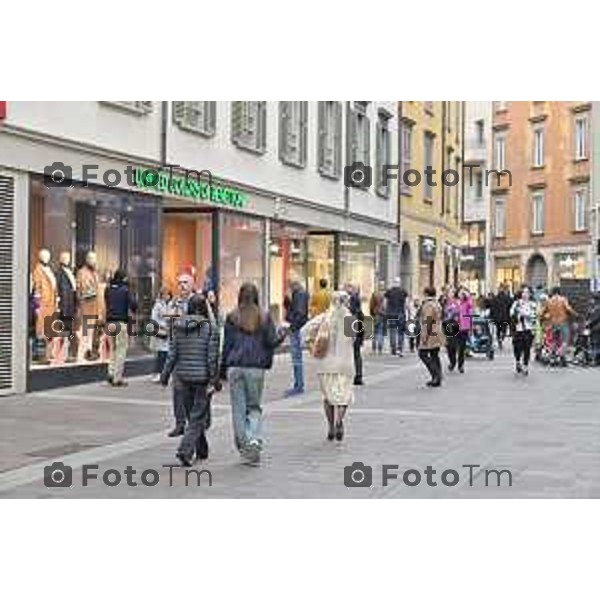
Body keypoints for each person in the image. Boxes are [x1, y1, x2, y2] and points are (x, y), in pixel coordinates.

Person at [222, 283, 287, 465]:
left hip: (235, 367)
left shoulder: (232, 316)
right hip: (256, 369)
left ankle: (244, 445)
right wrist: (282, 335)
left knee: (238, 408)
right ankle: (253, 440)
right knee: (254, 407)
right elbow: (271, 342)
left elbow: (226, 345)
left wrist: (220, 369)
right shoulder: (264, 317)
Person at [161, 294, 220, 466]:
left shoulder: (177, 326)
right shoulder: (210, 328)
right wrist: (214, 380)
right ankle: (185, 451)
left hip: (182, 378)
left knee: (193, 416)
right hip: (201, 379)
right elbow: (212, 357)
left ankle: (202, 449)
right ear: (204, 308)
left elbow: (172, 354)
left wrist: (165, 375)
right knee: (197, 417)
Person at [302, 291, 354, 441]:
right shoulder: (349, 319)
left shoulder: (324, 317)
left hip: (325, 364)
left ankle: (331, 427)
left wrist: (310, 343)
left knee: (328, 397)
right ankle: (340, 421)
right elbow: (354, 339)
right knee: (344, 396)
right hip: (345, 364)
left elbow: (305, 330)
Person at [166, 274, 195, 437]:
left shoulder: (198, 302)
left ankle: (194, 422)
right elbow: (169, 324)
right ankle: (179, 423)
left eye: (185, 282)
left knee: (192, 390)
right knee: (177, 389)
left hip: (192, 351)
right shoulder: (174, 303)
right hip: (178, 351)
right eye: (179, 283)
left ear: (192, 284)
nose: (182, 286)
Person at [104, 269, 137, 387]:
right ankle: (117, 378)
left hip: (109, 323)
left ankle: (111, 373)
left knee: (112, 349)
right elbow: (133, 304)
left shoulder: (108, 289)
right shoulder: (125, 290)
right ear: (123, 278)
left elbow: (107, 303)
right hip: (120, 323)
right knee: (121, 350)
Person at [540, 287, 577, 366]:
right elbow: (568, 308)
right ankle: (560, 355)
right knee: (565, 341)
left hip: (553, 323)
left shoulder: (549, 301)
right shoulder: (563, 299)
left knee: (554, 341)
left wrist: (545, 318)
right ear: (559, 292)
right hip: (563, 322)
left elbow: (542, 312)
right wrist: (575, 314)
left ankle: (553, 358)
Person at [284, 280, 309, 396]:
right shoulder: (299, 294)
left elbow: (299, 313)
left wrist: (292, 327)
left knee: (296, 358)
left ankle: (299, 385)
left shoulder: (299, 295)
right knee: (296, 357)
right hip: (297, 327)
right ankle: (298, 384)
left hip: (296, 328)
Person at [418, 287, 444, 387]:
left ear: (426, 293)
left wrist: (424, 336)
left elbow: (428, 321)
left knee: (423, 354)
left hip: (431, 332)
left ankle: (436, 375)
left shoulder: (428, 305)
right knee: (434, 354)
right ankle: (438, 377)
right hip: (437, 330)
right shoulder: (437, 303)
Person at [510, 287, 537, 375]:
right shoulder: (517, 303)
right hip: (518, 329)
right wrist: (517, 315)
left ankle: (525, 366)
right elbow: (511, 313)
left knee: (527, 348)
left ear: (530, 294)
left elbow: (534, 316)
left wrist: (524, 315)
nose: (525, 294)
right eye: (524, 292)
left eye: (527, 292)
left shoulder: (533, 304)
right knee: (517, 348)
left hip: (528, 329)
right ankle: (518, 361)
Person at [150, 287, 172, 383]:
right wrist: (163, 326)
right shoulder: (158, 305)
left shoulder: (170, 305)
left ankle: (164, 373)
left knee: (166, 353)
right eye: (165, 294)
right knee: (161, 354)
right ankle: (158, 373)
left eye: (168, 294)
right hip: (161, 331)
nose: (166, 296)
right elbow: (154, 319)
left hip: (168, 332)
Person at [346, 283, 364, 385]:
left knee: (352, 353)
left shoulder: (351, 314)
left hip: (352, 330)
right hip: (356, 331)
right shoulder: (359, 312)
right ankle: (358, 375)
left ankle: (355, 375)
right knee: (356, 353)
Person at [385, 277, 408, 356]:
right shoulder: (403, 292)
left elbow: (385, 303)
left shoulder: (389, 292)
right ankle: (400, 348)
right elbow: (406, 304)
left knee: (392, 331)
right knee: (401, 332)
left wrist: (386, 312)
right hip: (401, 313)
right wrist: (408, 313)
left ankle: (393, 348)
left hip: (391, 314)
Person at [454, 287, 474, 374]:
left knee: (462, 347)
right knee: (453, 346)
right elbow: (449, 311)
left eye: (463, 293)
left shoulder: (467, 304)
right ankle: (453, 361)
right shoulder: (454, 302)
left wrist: (470, 326)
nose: (461, 295)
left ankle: (460, 365)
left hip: (464, 327)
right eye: (460, 293)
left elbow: (470, 313)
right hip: (454, 327)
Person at [443, 286, 461, 372]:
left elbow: (458, 312)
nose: (450, 294)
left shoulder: (457, 302)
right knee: (448, 345)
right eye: (449, 292)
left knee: (452, 344)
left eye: (451, 292)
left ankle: (454, 362)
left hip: (455, 325)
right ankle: (452, 361)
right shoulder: (445, 302)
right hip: (447, 324)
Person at [369, 282, 386, 355]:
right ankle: (380, 348)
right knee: (381, 332)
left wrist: (372, 313)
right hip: (383, 314)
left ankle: (374, 348)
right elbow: (386, 305)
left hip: (376, 314)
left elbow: (371, 304)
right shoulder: (385, 295)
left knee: (375, 332)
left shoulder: (375, 294)